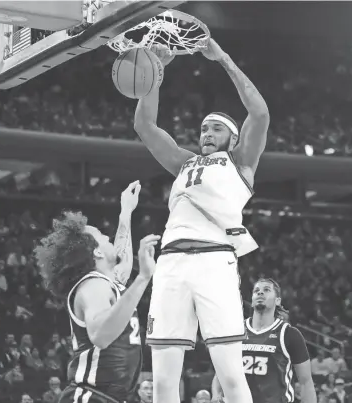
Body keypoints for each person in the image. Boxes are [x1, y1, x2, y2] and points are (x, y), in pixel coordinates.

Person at [134, 38, 270, 403]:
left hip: (214, 260)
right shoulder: (184, 163)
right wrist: (154, 75)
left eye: (215, 129)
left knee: (229, 373)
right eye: (203, 129)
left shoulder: (241, 162)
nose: (206, 134)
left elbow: (260, 113)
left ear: (233, 138)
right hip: (172, 262)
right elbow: (146, 126)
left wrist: (223, 58)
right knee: (163, 380)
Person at [34, 180, 161, 403]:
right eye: (103, 236)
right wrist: (143, 278)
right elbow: (101, 336)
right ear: (97, 252)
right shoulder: (92, 286)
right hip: (90, 395)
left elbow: (124, 257)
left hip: (108, 397)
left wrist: (126, 213)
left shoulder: (109, 281)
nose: (109, 238)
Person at [212, 278, 317, 403]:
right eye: (256, 291)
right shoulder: (235, 331)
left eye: (266, 290)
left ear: (277, 301)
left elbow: (306, 382)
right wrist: (216, 395)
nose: (260, 293)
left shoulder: (289, 334)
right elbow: (221, 372)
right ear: (251, 301)